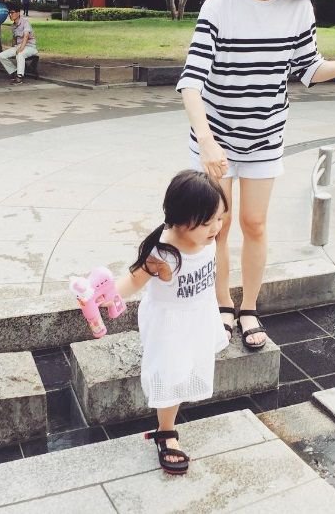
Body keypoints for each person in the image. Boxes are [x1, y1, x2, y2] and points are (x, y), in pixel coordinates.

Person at [177, 0, 335, 350]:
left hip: (265, 135)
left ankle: (249, 307)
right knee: (218, 225)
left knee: (255, 223)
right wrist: (207, 142)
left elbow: (308, 69)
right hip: (215, 137)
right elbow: (191, 81)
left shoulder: (298, 8)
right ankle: (222, 304)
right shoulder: (220, 5)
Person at [99, 169, 228, 475]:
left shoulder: (208, 239)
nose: (216, 227)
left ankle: (168, 421)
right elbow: (133, 280)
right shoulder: (163, 252)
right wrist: (107, 295)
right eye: (207, 222)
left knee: (189, 367)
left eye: (220, 218)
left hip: (199, 315)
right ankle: (165, 431)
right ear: (180, 219)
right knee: (169, 375)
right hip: (170, 324)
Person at [0, 2, 38, 85]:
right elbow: (14, 38)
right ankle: (14, 71)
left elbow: (26, 36)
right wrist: (13, 48)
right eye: (9, 13)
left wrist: (20, 49)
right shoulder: (13, 26)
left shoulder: (25, 22)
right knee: (1, 55)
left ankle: (19, 77)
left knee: (20, 54)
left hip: (30, 47)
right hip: (19, 46)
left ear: (18, 13)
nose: (10, 15)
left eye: (12, 13)